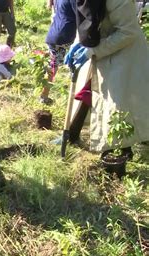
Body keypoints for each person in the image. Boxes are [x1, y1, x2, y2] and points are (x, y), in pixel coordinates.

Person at [64, 0, 149, 156]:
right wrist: (79, 43)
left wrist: (92, 50)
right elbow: (86, 20)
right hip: (100, 47)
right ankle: (71, 134)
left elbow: (128, 32)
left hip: (125, 54)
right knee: (86, 89)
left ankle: (120, 151)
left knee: (117, 103)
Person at [39, 0, 77, 105]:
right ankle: (73, 96)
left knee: (53, 66)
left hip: (54, 34)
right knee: (74, 64)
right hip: (65, 36)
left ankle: (44, 95)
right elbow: (81, 17)